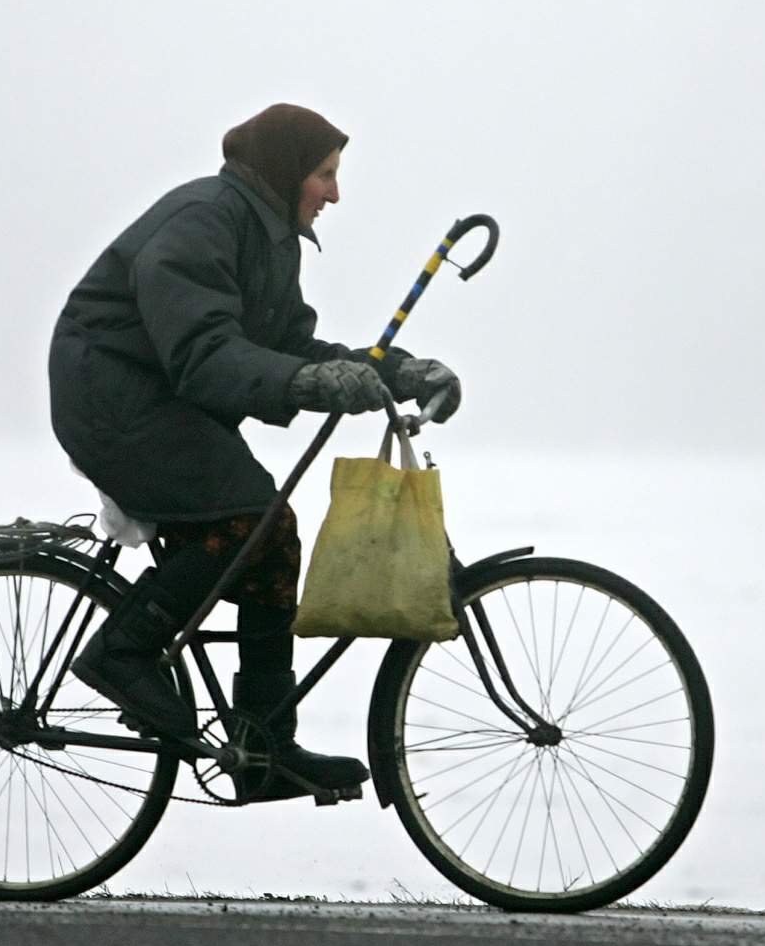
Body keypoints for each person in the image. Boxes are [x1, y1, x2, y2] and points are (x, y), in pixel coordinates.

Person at [47, 103, 460, 800]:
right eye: (325, 174)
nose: (334, 193)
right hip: (113, 400)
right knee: (258, 520)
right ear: (287, 169)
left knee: (266, 540)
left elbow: (287, 347)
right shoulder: (206, 220)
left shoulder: (270, 237)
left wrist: (397, 371)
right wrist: (307, 382)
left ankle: (264, 750)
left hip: (161, 402)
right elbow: (205, 354)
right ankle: (123, 652)